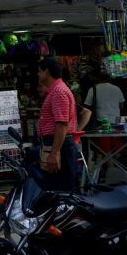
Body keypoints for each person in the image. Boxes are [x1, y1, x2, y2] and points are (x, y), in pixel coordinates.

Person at [33, 57, 79, 192]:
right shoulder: (55, 91)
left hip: (59, 144)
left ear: (46, 72)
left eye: (39, 71)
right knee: (56, 187)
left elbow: (62, 124)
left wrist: (54, 153)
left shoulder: (58, 92)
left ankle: (68, 212)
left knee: (62, 189)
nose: (38, 74)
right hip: (56, 143)